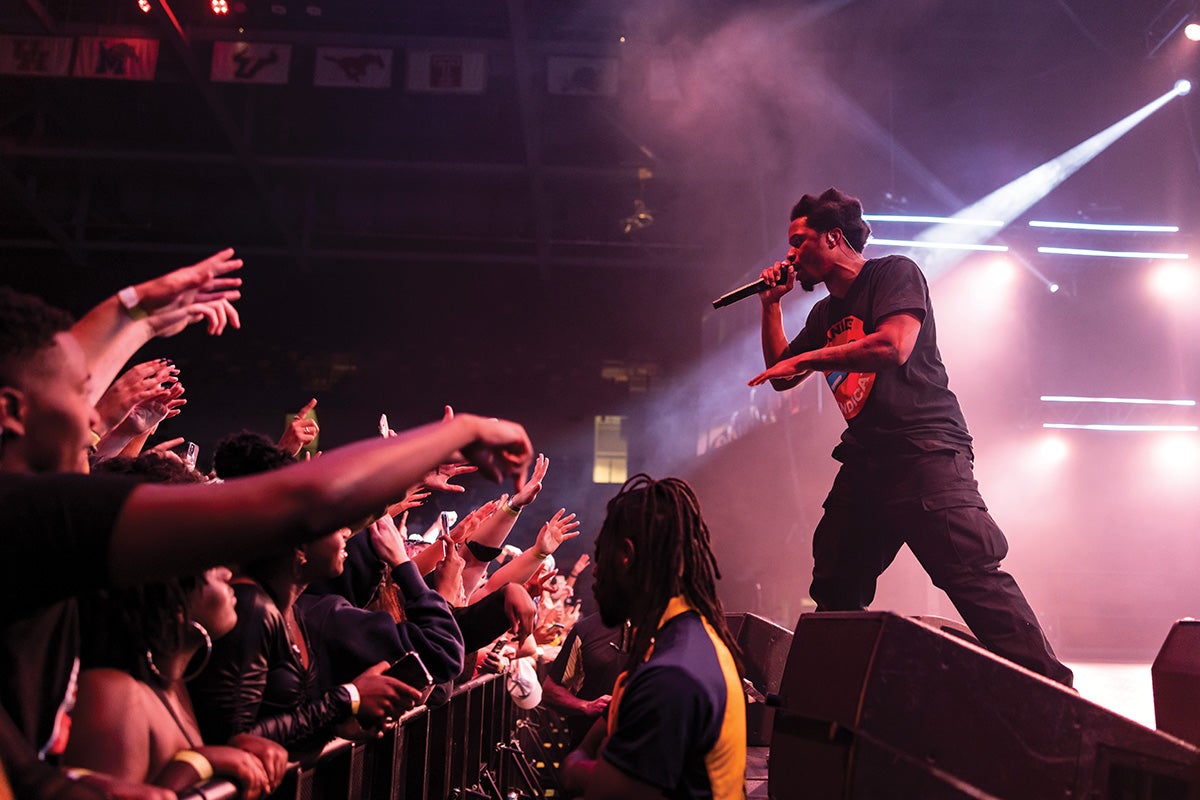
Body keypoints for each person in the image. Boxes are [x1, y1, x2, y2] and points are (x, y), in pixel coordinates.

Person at [0, 274, 532, 798]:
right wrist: (455, 433)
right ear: (12, 413)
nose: (95, 414)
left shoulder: (30, 526)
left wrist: (131, 312)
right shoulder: (30, 518)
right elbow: (295, 503)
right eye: (81, 393)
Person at [747, 187, 1072, 686]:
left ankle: (1054, 697)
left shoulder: (893, 273)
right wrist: (771, 305)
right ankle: (832, 707)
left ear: (833, 237)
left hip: (925, 450)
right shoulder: (822, 315)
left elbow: (893, 345)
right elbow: (782, 374)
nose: (790, 255)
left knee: (970, 574)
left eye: (799, 240)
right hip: (868, 462)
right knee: (835, 580)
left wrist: (810, 358)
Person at [561, 475, 745, 800]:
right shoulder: (682, 644)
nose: (594, 571)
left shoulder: (670, 677)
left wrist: (578, 770)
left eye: (600, 555)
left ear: (626, 556)